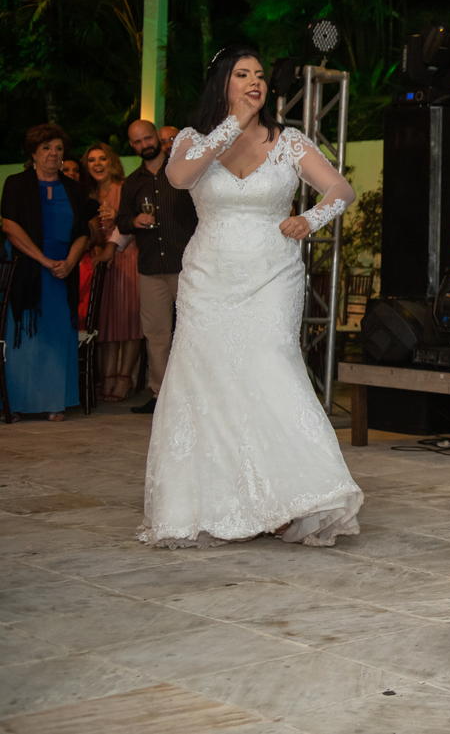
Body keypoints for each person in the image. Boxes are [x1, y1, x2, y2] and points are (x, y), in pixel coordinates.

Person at [138, 44, 362, 548]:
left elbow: (341, 190)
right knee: (211, 383)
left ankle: (287, 498)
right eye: (243, 75)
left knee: (271, 369)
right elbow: (181, 178)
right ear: (223, 83)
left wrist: (312, 217)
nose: (255, 82)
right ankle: (224, 500)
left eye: (260, 75)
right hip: (208, 279)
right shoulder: (192, 140)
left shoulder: (289, 140)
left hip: (272, 275)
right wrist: (231, 126)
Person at [1, 124, 99, 421]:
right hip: (27, 266)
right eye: (46, 148)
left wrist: (70, 261)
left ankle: (55, 402)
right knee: (24, 335)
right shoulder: (16, 183)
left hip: (62, 268)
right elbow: (10, 227)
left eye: (58, 149)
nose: (53, 154)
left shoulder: (73, 188)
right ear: (33, 153)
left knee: (57, 336)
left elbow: (84, 231)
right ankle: (15, 404)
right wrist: (43, 260)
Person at [115, 119, 198, 414]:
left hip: (186, 265)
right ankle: (160, 395)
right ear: (132, 145)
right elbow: (121, 220)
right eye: (137, 142)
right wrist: (133, 221)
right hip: (150, 267)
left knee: (195, 331)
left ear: (158, 137)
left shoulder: (182, 172)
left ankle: (197, 394)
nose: (144, 145)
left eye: (147, 138)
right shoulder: (132, 181)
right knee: (157, 335)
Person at [83, 143, 141, 402]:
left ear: (112, 162)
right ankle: (107, 376)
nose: (97, 164)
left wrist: (117, 215)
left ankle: (124, 378)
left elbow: (132, 221)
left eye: (102, 159)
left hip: (126, 256)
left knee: (128, 321)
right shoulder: (89, 194)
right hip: (100, 261)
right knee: (106, 321)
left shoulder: (123, 188)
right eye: (91, 160)